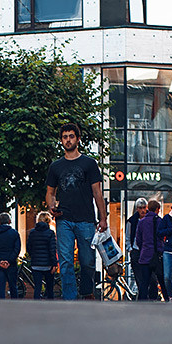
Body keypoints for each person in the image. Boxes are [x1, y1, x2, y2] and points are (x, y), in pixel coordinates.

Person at [45, 123, 105, 300]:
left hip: (86, 219)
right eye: (65, 137)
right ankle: (69, 299)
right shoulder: (55, 167)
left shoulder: (89, 163)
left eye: (71, 136)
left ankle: (87, 292)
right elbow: (50, 192)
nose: (68, 140)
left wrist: (103, 218)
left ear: (78, 139)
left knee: (87, 261)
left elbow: (97, 192)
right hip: (64, 220)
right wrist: (51, 206)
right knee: (65, 262)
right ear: (61, 140)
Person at [131, 199, 163, 300]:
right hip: (156, 255)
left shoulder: (141, 222)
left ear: (148, 208)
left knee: (144, 281)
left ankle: (142, 301)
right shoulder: (159, 221)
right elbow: (162, 237)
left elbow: (138, 239)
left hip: (144, 255)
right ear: (158, 209)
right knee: (160, 279)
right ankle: (166, 298)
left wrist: (142, 248)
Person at [0, 213, 23, 299]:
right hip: (11, 264)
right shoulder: (14, 233)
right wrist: (9, 260)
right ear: (10, 221)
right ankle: (14, 305)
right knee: (13, 286)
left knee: (0, 285)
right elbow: (17, 249)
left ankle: (1, 305)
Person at [26, 210, 60, 298]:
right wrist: (54, 264)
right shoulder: (50, 233)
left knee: (37, 287)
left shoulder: (32, 232)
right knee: (49, 287)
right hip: (48, 264)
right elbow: (52, 250)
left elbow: (29, 247)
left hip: (36, 264)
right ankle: (50, 306)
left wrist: (33, 256)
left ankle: (36, 306)